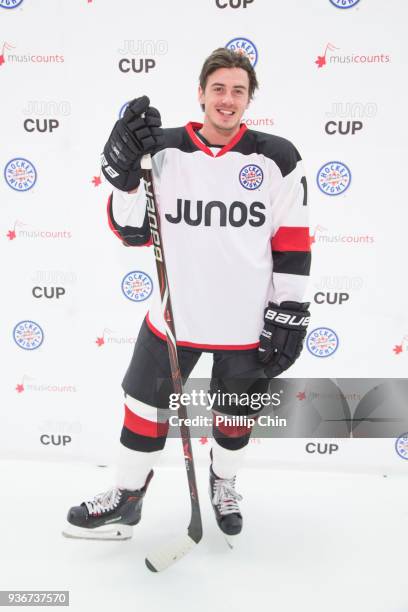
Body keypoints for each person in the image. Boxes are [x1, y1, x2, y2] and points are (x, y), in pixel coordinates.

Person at [63, 48, 311, 542]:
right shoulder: (164, 148)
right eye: (218, 88)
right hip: (174, 319)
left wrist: (291, 308)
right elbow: (131, 230)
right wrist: (126, 175)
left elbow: (292, 241)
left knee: (235, 418)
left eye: (238, 90)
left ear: (249, 99)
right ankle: (126, 497)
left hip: (245, 323)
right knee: (141, 407)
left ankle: (224, 482)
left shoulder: (278, 156)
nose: (227, 99)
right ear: (201, 93)